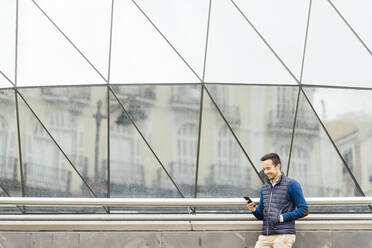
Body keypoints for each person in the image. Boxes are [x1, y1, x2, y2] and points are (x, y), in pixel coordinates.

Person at [246, 153, 308, 248]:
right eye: (264, 169)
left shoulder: (292, 184)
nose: (266, 172)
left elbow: (303, 209)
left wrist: (281, 217)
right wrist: (253, 209)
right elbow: (261, 215)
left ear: (278, 166)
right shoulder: (264, 188)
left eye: (268, 168)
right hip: (265, 236)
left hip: (283, 236)